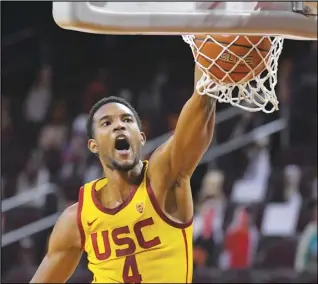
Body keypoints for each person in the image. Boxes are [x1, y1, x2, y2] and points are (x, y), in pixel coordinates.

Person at [30, 66, 217, 283]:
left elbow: (202, 102)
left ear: (142, 137)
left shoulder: (164, 178)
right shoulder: (76, 219)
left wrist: (207, 58)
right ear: (93, 145)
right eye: (107, 123)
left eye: (127, 120)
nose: (119, 125)